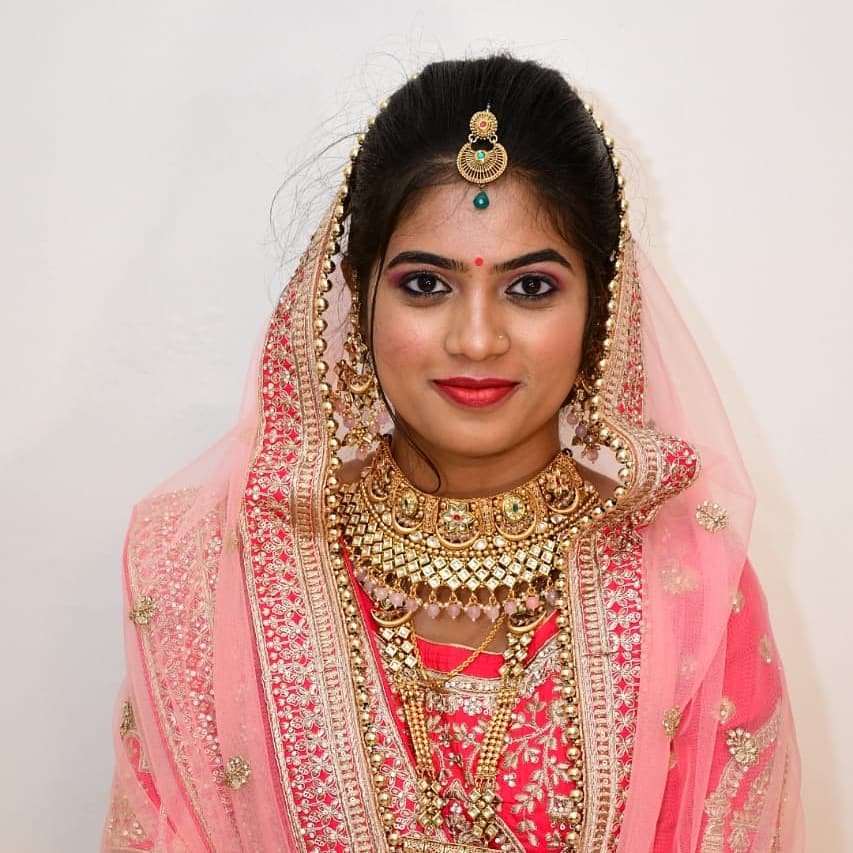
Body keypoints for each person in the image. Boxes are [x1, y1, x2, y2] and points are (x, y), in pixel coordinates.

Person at [102, 55, 803, 852]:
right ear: (358, 292)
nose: (476, 339)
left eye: (529, 287)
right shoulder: (214, 569)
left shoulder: (685, 584)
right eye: (425, 285)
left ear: (599, 311)